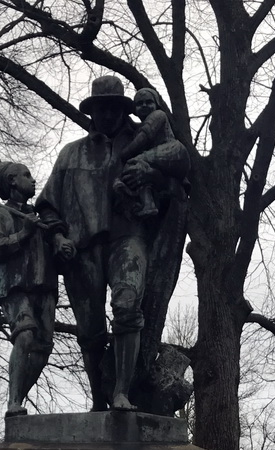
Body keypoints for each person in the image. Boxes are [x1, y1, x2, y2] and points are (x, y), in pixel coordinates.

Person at [36, 76, 189, 413]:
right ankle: (97, 400)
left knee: (127, 305)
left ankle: (122, 392)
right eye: (99, 108)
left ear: (123, 108)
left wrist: (151, 176)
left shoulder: (146, 140)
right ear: (92, 111)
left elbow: (179, 184)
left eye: (112, 107)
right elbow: (47, 205)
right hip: (82, 248)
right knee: (89, 329)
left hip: (129, 236)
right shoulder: (71, 153)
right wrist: (59, 235)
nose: (105, 114)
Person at [0, 161, 72, 417]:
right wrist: (23, 234)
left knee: (43, 348)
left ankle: (17, 398)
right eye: (26, 175)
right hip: (15, 287)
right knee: (24, 335)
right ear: (12, 181)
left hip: (44, 287)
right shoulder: (1, 214)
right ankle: (13, 401)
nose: (33, 180)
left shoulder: (39, 217)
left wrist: (63, 249)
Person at [114, 88, 176, 220]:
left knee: (133, 163)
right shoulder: (139, 127)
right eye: (139, 103)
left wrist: (125, 154)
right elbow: (135, 127)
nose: (144, 106)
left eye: (149, 102)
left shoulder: (158, 115)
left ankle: (124, 185)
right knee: (140, 170)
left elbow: (142, 139)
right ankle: (148, 204)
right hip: (155, 159)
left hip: (170, 152)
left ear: (156, 105)